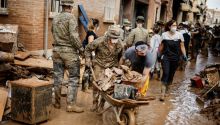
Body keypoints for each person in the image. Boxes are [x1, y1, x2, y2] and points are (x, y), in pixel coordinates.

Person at [51, 0, 84, 113]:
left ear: (62, 6)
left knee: (57, 78)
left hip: (56, 51)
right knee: (73, 79)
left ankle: (56, 103)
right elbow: (74, 36)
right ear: (70, 6)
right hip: (69, 53)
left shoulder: (55, 18)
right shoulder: (71, 18)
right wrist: (81, 49)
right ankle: (71, 105)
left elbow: (52, 32)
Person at [85, 25, 123, 112]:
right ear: (109, 36)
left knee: (108, 87)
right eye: (113, 37)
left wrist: (118, 68)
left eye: (116, 38)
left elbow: (121, 56)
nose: (115, 39)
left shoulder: (120, 44)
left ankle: (102, 104)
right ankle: (95, 102)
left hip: (112, 66)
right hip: (99, 64)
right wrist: (88, 60)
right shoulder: (100, 41)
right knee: (97, 85)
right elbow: (87, 49)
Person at [158, 20, 187, 101]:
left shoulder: (179, 35)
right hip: (166, 57)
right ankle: (162, 94)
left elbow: (182, 46)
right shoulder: (164, 35)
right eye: (173, 25)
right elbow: (161, 46)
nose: (175, 27)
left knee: (171, 74)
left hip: (175, 58)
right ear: (169, 26)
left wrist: (184, 55)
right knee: (166, 73)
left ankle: (168, 89)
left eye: (175, 25)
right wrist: (158, 55)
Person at [82, 18, 99, 92]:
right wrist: (93, 54)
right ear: (96, 25)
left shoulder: (92, 32)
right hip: (89, 54)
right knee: (87, 69)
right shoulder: (91, 33)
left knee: (90, 69)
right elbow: (90, 44)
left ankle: (89, 86)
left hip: (90, 53)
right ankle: (84, 88)